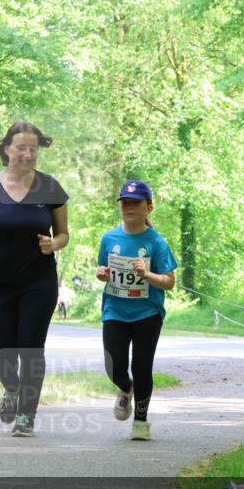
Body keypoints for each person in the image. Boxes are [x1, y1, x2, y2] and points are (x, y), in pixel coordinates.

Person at [0, 121, 69, 437]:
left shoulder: (50, 187)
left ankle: (27, 415)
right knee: (1, 351)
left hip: (38, 281)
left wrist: (54, 244)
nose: (27, 154)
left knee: (31, 349)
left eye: (33, 149)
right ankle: (11, 388)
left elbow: (63, 234)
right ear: (7, 149)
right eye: (21, 147)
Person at [95, 181, 177, 442]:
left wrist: (147, 274)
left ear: (148, 208)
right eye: (125, 202)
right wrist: (101, 274)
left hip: (147, 313)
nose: (129, 207)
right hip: (115, 310)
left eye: (136, 203)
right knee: (115, 365)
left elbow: (169, 281)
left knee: (142, 367)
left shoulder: (156, 242)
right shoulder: (109, 239)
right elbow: (102, 271)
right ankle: (125, 389)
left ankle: (141, 421)